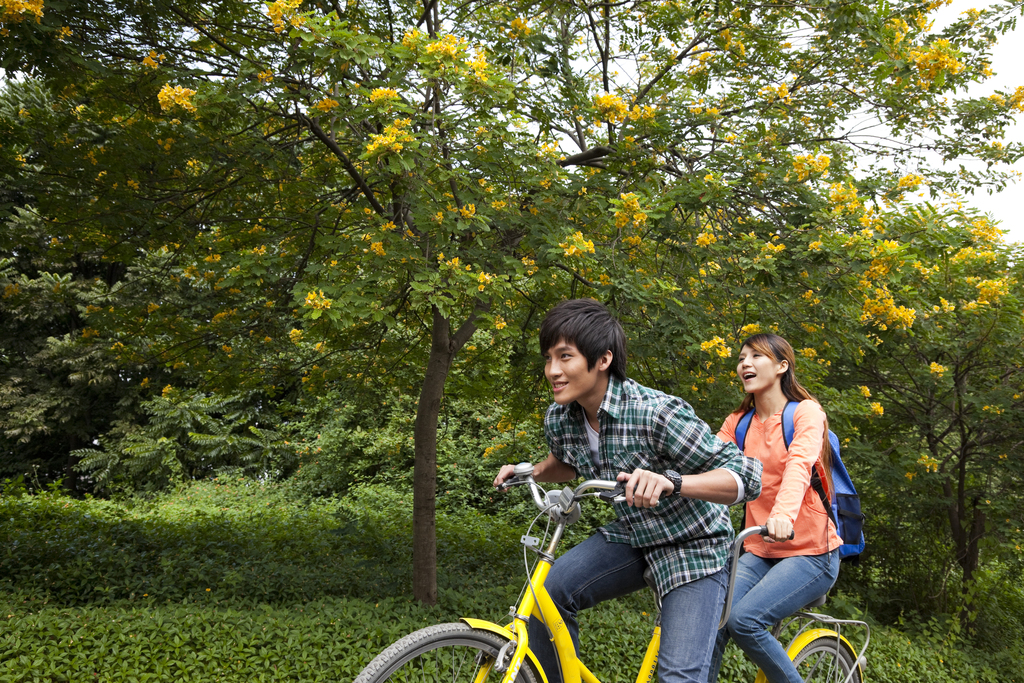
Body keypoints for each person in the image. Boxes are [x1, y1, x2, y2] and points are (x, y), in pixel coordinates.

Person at [493, 299, 762, 683]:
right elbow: (569, 462)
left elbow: (747, 475)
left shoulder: (656, 412)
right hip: (633, 534)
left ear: (602, 360)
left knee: (678, 677)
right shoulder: (561, 416)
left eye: (565, 357)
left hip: (694, 546)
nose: (553, 370)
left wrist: (674, 481)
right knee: (545, 597)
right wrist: (532, 471)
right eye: (548, 358)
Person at [707, 333, 842, 683]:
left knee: (744, 621)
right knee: (714, 620)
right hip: (760, 548)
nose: (745, 364)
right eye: (741, 358)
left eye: (756, 356)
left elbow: (799, 464)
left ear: (782, 366)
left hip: (812, 552)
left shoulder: (806, 413)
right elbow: (705, 466)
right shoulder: (737, 423)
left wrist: (782, 514)